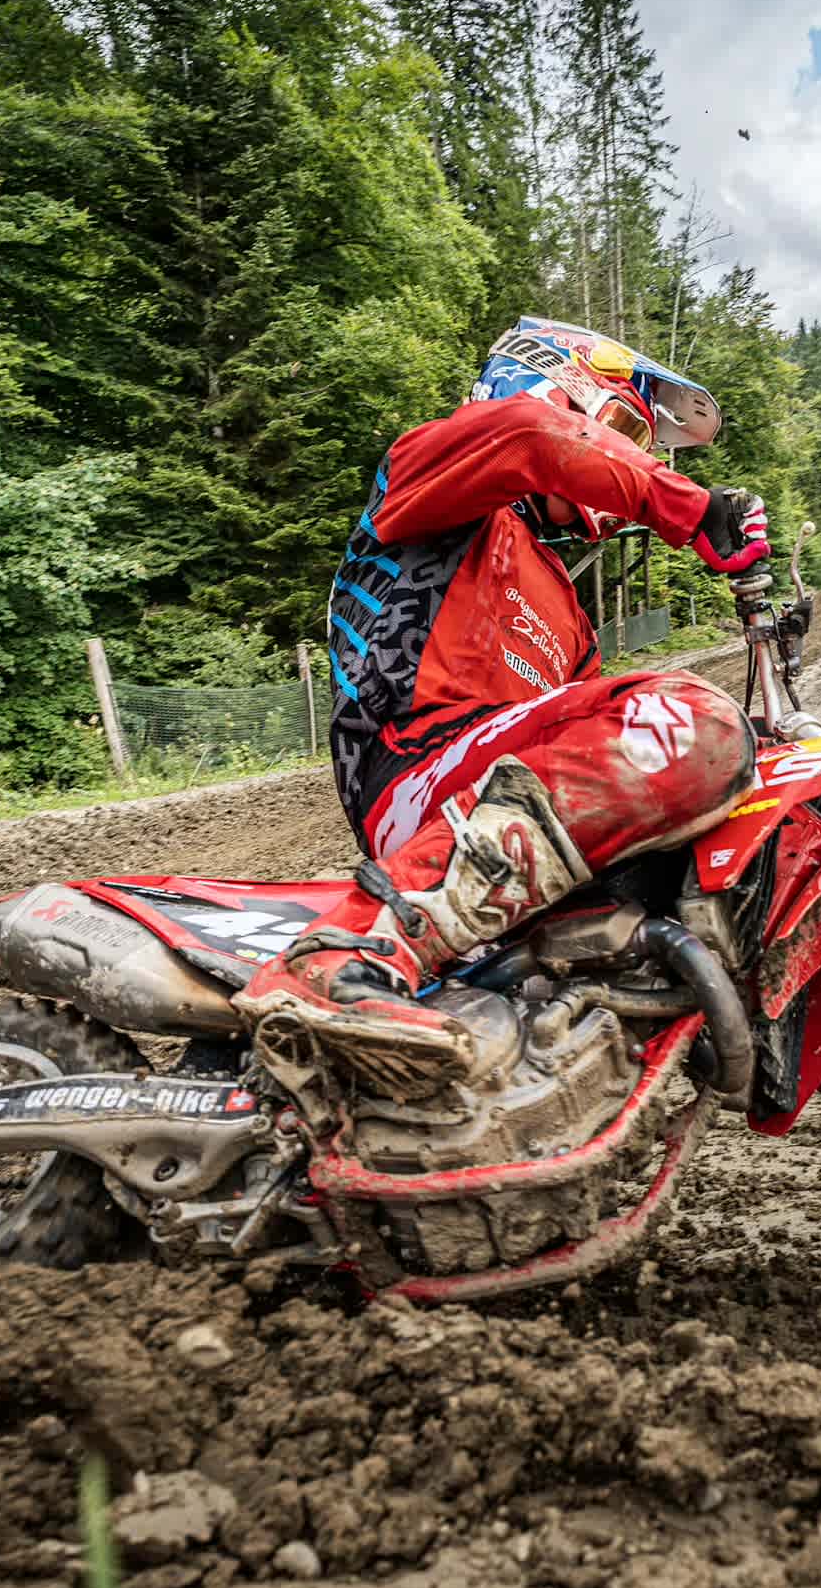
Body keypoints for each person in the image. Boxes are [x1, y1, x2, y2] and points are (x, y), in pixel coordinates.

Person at [237, 318, 775, 1098]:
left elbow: (587, 742)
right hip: (416, 768)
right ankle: (351, 952)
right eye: (624, 429)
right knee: (693, 723)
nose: (636, 457)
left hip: (506, 782)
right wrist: (685, 507)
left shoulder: (567, 609)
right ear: (557, 392)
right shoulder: (434, 471)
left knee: (728, 782)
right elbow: (529, 436)